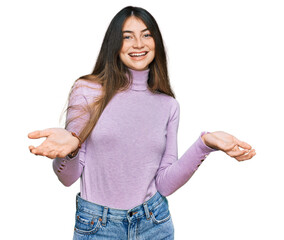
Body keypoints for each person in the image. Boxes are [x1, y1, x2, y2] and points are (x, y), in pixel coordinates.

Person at [28, 6, 256, 240]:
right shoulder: (88, 90)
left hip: (154, 223)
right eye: (127, 37)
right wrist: (72, 149)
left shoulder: (168, 105)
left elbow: (164, 185)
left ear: (155, 42)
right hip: (98, 226)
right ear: (114, 44)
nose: (139, 44)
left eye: (146, 35)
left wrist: (206, 144)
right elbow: (67, 178)